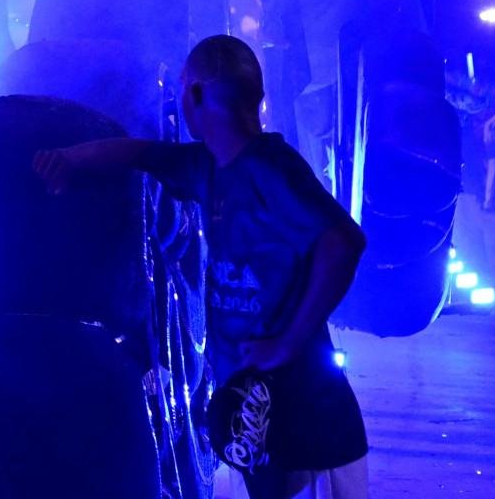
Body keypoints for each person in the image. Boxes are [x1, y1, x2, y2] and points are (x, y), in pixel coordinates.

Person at [36, 35, 368, 499]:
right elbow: (138, 153)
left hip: (299, 404)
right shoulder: (208, 167)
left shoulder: (271, 168)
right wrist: (68, 159)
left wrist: (285, 343)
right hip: (254, 402)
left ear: (195, 95)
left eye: (181, 92)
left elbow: (343, 241)